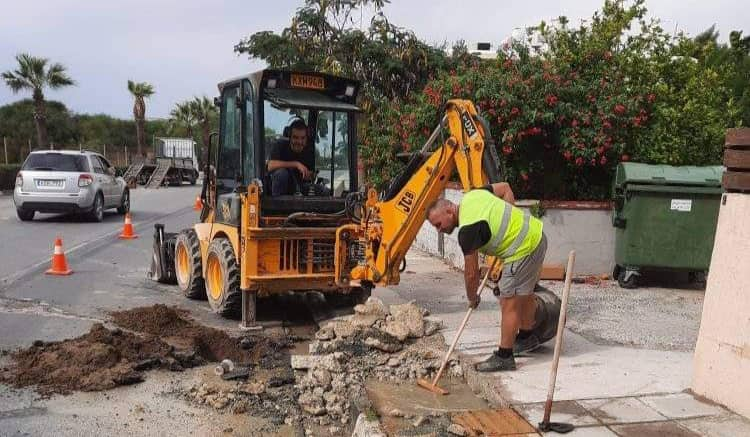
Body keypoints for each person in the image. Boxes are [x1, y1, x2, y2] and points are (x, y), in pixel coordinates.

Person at [426, 182, 548, 371]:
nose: (439, 230)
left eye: (438, 225)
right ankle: (526, 337)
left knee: (508, 300)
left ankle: (505, 357)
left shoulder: (467, 230)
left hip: (523, 249)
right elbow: (505, 188)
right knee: (524, 292)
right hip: (536, 236)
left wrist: (472, 297)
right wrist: (510, 222)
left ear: (450, 210)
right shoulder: (474, 195)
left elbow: (471, 273)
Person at [267, 118, 325, 196]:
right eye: (295, 137)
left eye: (303, 138)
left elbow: (309, 174)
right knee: (281, 174)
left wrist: (310, 175)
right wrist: (296, 164)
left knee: (323, 190)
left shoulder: (309, 151)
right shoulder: (280, 145)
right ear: (289, 137)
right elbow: (270, 166)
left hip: (299, 187)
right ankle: (278, 206)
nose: (299, 142)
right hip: (280, 188)